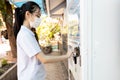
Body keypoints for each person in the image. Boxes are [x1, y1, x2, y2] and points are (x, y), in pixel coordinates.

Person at [14, 1, 72, 80]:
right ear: (28, 14)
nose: (39, 19)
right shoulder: (25, 35)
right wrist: (66, 56)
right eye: (37, 15)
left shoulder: (28, 33)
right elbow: (44, 59)